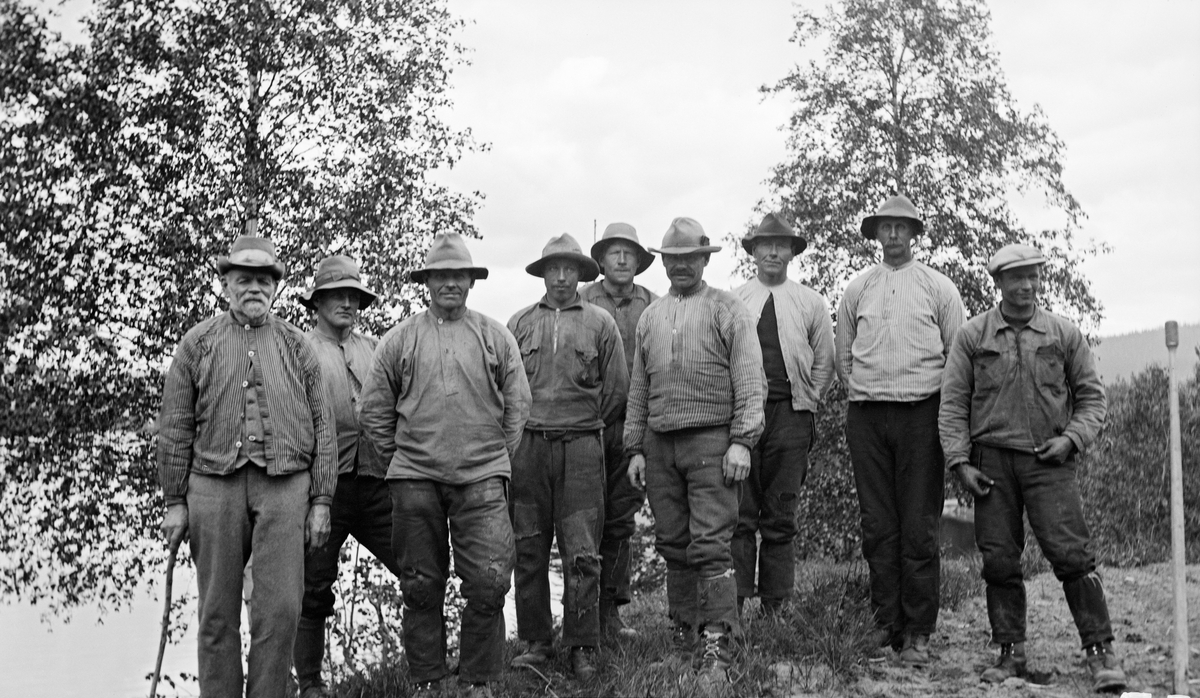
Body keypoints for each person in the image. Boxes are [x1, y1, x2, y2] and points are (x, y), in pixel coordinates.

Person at [939, 244, 1125, 692]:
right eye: (1015, 278)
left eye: (1033, 277)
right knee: (1000, 561)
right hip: (991, 465)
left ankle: (1101, 653)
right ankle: (1010, 653)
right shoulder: (973, 336)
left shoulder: (1062, 333)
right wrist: (959, 462)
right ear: (998, 283)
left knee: (1073, 557)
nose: (1026, 286)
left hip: (1050, 461)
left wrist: (1071, 438)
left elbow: (1092, 399)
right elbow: (953, 404)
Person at [157, 235, 337, 698]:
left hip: (285, 486)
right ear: (226, 284)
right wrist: (175, 501)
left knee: (278, 611)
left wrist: (321, 500)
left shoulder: (298, 347)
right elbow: (175, 427)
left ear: (275, 287)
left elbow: (323, 426)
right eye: (244, 279)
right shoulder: (196, 345)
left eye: (263, 280)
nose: (253, 288)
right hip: (212, 486)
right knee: (216, 613)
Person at [358, 232, 530, 698]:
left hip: (482, 481)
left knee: (490, 581)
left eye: (459, 276)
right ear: (427, 282)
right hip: (414, 482)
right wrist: (405, 462)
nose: (450, 284)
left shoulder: (495, 336)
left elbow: (518, 405)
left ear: (471, 283)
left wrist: (492, 458)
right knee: (419, 585)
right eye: (441, 276)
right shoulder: (400, 340)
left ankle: (479, 679)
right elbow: (373, 410)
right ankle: (427, 680)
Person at [625, 217, 765, 679]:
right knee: (673, 543)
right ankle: (684, 632)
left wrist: (742, 441)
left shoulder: (728, 310)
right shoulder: (651, 317)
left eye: (690, 258)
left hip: (712, 441)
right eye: (673, 259)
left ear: (705, 260)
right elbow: (639, 390)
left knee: (710, 544)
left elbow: (749, 378)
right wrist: (636, 448)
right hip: (661, 444)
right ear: (663, 264)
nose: (681, 266)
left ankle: (718, 643)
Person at [835, 195, 965, 665]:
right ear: (876, 234)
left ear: (913, 234)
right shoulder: (858, 289)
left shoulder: (939, 287)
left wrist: (935, 409)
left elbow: (958, 356)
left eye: (901, 227)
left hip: (921, 415)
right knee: (878, 524)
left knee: (919, 526)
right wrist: (867, 391)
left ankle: (918, 631)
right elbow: (843, 355)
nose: (893, 235)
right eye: (885, 227)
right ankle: (884, 623)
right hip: (868, 415)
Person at [506, 233, 629, 679]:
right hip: (528, 449)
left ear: (581, 274)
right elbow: (504, 391)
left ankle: (583, 644)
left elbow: (616, 392)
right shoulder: (518, 323)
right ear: (542, 274)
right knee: (529, 546)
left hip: (581, 448)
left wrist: (583, 428)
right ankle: (536, 643)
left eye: (569, 269)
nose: (560, 277)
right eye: (552, 269)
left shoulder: (600, 323)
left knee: (582, 551)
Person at [293, 255, 402, 698]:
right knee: (313, 586)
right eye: (337, 295)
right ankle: (311, 685)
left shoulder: (375, 348)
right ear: (317, 301)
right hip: (323, 490)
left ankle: (430, 669)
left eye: (353, 296)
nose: (347, 303)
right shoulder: (297, 349)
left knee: (419, 566)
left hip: (377, 482)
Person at [732, 212, 835, 616]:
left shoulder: (810, 302)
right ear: (753, 252)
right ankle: (734, 607)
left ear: (792, 252)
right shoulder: (736, 300)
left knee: (780, 513)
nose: (772, 252)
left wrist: (806, 402)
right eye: (764, 245)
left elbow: (825, 364)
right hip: (744, 418)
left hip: (791, 417)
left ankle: (776, 606)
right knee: (740, 515)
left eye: (781, 245)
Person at [579, 222, 658, 639]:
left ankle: (612, 614)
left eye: (630, 253)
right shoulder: (581, 301)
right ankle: (581, 618)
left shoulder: (656, 305)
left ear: (640, 261)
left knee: (621, 519)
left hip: (635, 427)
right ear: (602, 260)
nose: (622, 260)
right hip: (588, 426)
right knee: (584, 519)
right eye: (614, 252)